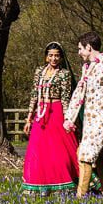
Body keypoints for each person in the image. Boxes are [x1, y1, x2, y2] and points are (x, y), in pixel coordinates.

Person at [64, 31, 103, 197]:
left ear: (89, 47)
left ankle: (80, 197)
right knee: (100, 162)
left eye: (80, 49)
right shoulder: (86, 67)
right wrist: (69, 118)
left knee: (84, 156)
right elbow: (79, 93)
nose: (79, 52)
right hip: (90, 122)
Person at [21, 42, 81, 193]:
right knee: (38, 149)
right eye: (51, 55)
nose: (54, 58)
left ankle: (64, 184)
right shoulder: (39, 71)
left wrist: (68, 119)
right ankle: (39, 184)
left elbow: (66, 98)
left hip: (56, 112)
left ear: (61, 58)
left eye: (57, 56)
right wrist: (29, 118)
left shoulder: (64, 74)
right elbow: (34, 95)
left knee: (59, 149)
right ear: (46, 57)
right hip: (40, 114)